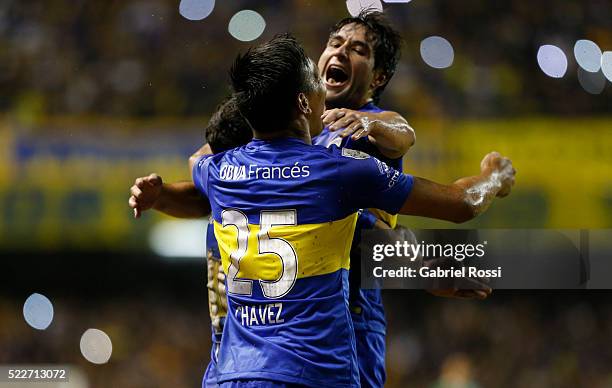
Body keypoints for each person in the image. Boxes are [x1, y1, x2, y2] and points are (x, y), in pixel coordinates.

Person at [131, 34, 514, 387]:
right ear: (303, 102)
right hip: (313, 371)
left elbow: (198, 168)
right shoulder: (340, 171)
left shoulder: (217, 172)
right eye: (313, 82)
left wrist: (160, 196)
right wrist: (493, 176)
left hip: (231, 373)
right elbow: (461, 204)